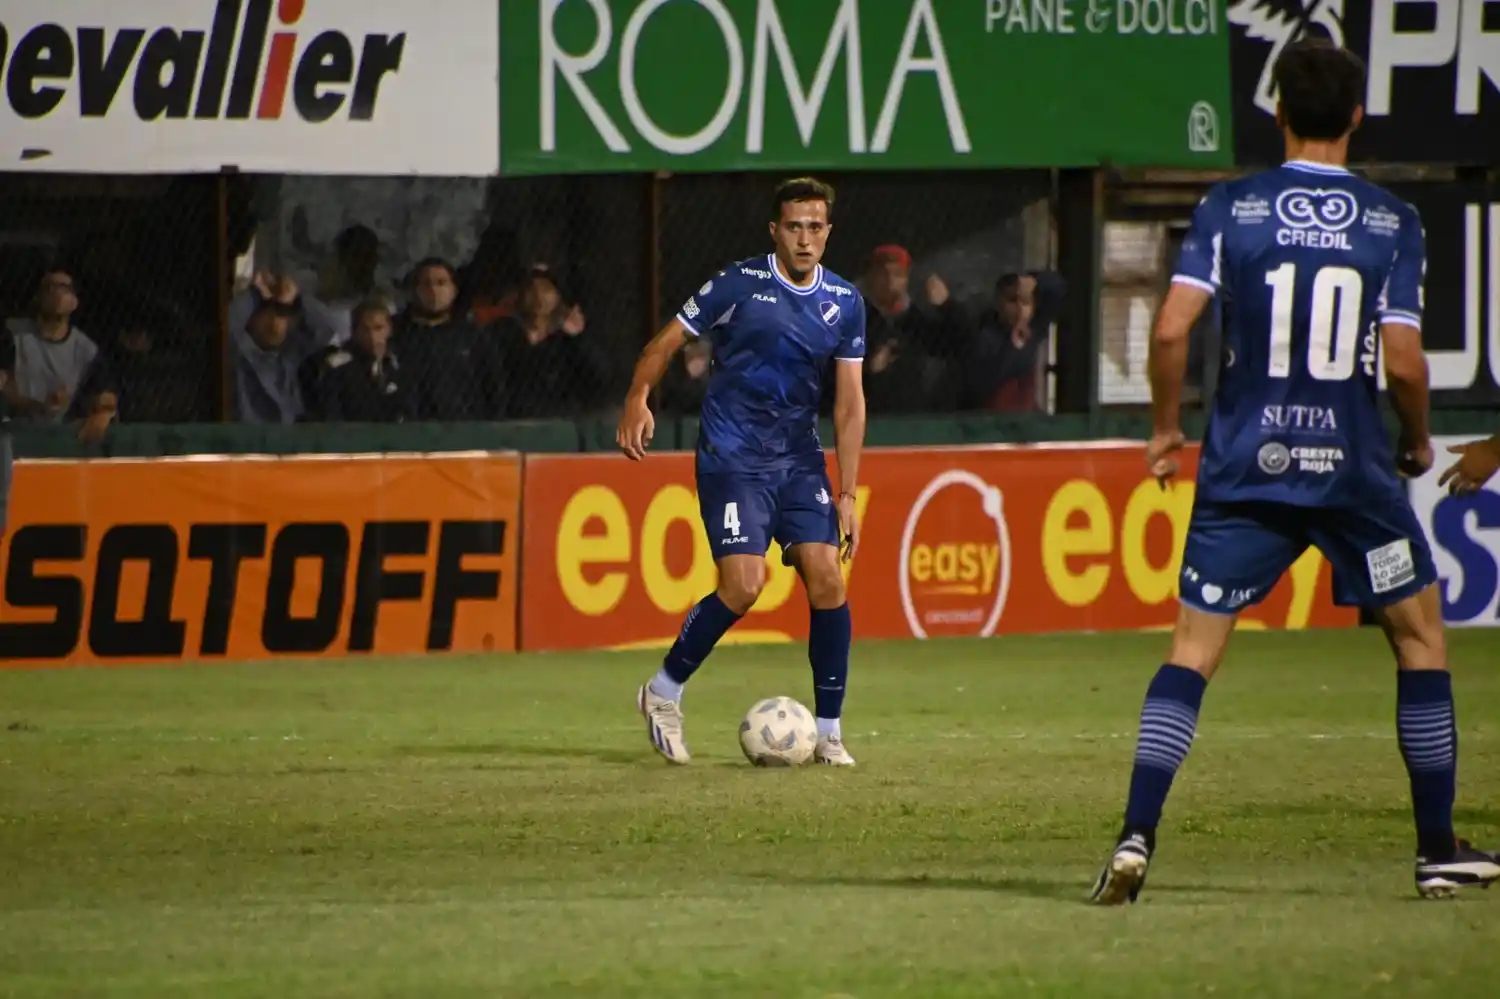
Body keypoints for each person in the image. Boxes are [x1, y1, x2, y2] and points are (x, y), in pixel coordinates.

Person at [1089, 38, 1500, 905]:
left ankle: (1135, 834)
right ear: (1357, 116)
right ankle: (1435, 849)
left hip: (1244, 468)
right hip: (1352, 474)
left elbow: (1169, 332)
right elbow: (1404, 362)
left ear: (1276, 112)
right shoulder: (1394, 223)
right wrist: (1418, 440)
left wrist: (1166, 429)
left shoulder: (1231, 209)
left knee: (1191, 655)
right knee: (1421, 641)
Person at [616, 177, 867, 767]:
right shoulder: (739, 285)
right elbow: (666, 341)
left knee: (828, 577)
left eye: (816, 227)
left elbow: (849, 403)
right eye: (794, 226)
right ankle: (663, 691)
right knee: (744, 585)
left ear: (828, 232)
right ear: (774, 230)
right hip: (733, 459)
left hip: (799, 461)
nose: (805, 238)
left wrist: (848, 492)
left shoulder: (846, 301)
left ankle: (829, 732)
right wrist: (637, 396)